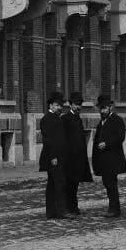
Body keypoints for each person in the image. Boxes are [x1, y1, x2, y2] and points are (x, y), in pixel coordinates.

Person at [91, 93, 126, 218]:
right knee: (107, 184)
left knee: (111, 184)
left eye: (104, 108)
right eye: (101, 109)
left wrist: (106, 144)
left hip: (113, 159)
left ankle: (114, 209)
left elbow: (120, 137)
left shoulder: (117, 120)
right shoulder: (101, 122)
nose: (102, 111)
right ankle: (112, 207)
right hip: (104, 161)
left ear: (110, 107)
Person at [62, 91, 93, 215]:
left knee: (75, 184)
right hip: (69, 158)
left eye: (80, 104)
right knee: (68, 184)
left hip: (78, 158)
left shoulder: (78, 119)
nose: (78, 106)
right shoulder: (65, 118)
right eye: (75, 104)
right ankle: (69, 207)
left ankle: (74, 207)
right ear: (70, 105)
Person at [39, 91, 68, 220]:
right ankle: (61, 211)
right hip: (53, 158)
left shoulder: (58, 118)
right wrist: (53, 157)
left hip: (59, 157)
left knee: (52, 184)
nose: (59, 108)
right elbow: (48, 140)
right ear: (50, 105)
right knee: (59, 183)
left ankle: (51, 212)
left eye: (60, 105)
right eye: (56, 105)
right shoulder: (46, 119)